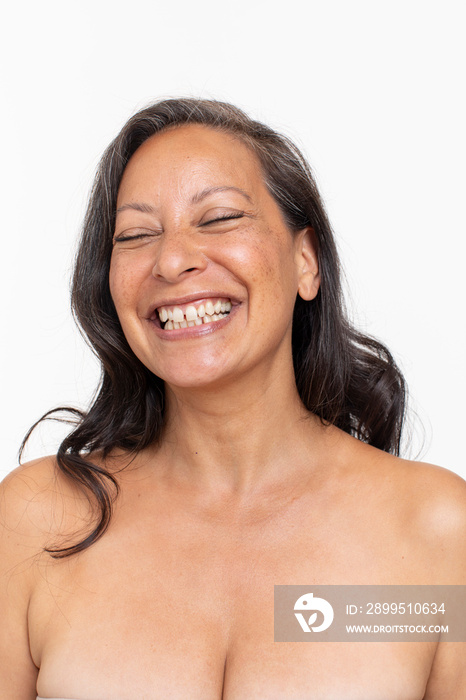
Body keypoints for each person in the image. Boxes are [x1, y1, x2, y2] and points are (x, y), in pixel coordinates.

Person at [1, 98, 464, 699]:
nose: (171, 260)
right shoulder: (34, 523)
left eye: (218, 218)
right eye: (136, 234)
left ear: (307, 261)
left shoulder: (438, 532)